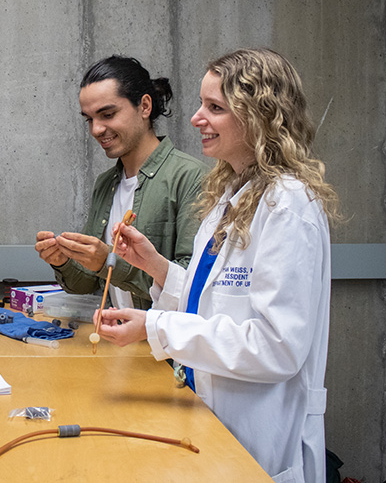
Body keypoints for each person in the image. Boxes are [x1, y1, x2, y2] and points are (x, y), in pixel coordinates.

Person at [96, 48, 339, 483]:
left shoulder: (288, 204)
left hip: (260, 437)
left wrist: (157, 329)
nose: (195, 118)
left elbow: (277, 346)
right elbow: (216, 301)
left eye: (215, 108)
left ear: (259, 116)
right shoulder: (233, 195)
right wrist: (157, 267)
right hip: (214, 419)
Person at [36, 56, 207, 309]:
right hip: (117, 343)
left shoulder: (191, 178)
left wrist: (108, 263)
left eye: (107, 114)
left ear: (144, 107)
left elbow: (193, 285)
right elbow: (87, 284)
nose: (96, 129)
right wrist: (62, 260)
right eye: (89, 119)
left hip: (163, 344)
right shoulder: (106, 183)